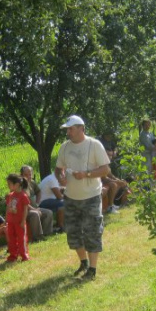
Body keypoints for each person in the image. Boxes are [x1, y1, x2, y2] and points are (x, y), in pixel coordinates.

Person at [55, 115, 111, 280]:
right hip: (71, 198)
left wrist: (86, 174)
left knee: (92, 232)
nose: (68, 132)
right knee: (73, 232)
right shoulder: (64, 147)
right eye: (67, 129)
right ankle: (83, 262)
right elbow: (58, 169)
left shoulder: (94, 145)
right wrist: (60, 176)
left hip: (91, 196)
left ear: (81, 129)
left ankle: (92, 270)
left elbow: (105, 169)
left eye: (71, 129)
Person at [20, 165, 53, 241]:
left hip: (34, 207)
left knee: (48, 212)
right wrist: (34, 209)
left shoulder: (32, 182)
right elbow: (23, 202)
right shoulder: (20, 185)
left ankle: (46, 234)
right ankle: (37, 237)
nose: (28, 176)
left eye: (30, 174)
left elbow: (38, 192)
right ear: (21, 175)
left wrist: (37, 204)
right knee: (35, 214)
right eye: (26, 175)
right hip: (25, 210)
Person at [5, 173, 31, 262]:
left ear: (16, 185)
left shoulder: (23, 196)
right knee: (11, 239)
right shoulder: (10, 195)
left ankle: (24, 255)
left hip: (19, 222)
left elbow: (25, 209)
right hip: (11, 222)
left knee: (21, 238)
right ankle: (13, 255)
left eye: (9, 184)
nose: (8, 186)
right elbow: (8, 207)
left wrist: (23, 221)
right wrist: (7, 218)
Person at [139, 119, 156, 185]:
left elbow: (154, 142)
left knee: (154, 169)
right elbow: (148, 145)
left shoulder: (150, 133)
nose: (148, 126)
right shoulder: (143, 135)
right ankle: (147, 186)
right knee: (148, 170)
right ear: (143, 125)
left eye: (149, 124)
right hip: (146, 155)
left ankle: (155, 184)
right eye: (146, 125)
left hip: (152, 154)